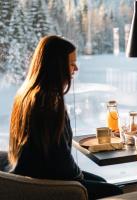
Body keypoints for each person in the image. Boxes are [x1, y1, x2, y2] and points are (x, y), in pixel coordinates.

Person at [8, 35, 123, 199]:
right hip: (46, 183)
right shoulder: (49, 103)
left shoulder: (27, 94)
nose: (76, 69)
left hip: (32, 175)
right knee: (115, 193)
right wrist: (79, 178)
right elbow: (62, 162)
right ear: (57, 66)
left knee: (102, 182)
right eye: (71, 63)